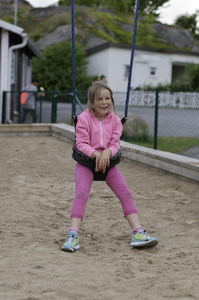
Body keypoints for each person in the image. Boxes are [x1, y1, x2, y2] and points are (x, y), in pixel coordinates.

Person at [61, 81, 158, 252]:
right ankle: (73, 236)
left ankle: (138, 232)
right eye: (100, 99)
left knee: (126, 192)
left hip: (108, 164)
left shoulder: (114, 120)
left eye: (108, 98)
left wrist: (106, 153)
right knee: (82, 193)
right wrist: (96, 154)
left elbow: (115, 144)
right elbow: (81, 143)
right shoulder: (83, 118)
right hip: (86, 162)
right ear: (92, 102)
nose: (105, 102)